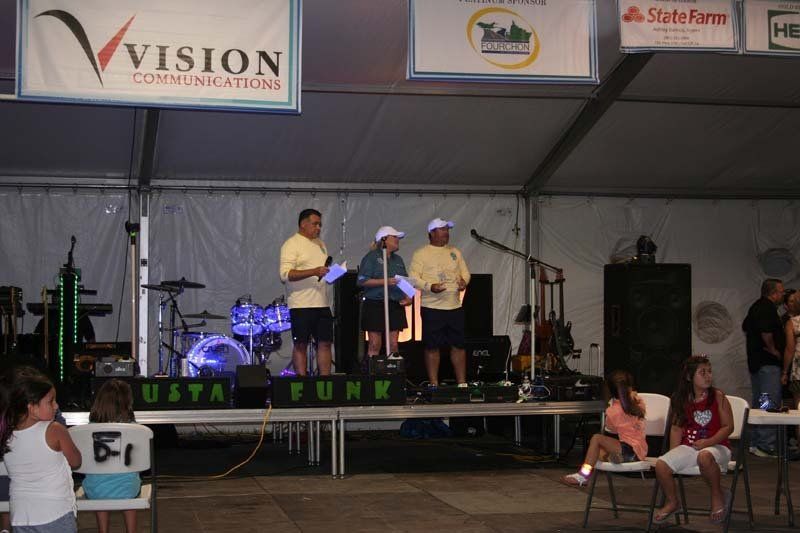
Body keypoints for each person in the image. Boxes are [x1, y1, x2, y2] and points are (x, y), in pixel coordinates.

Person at [653, 355, 734, 525]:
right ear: (690, 377)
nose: (708, 376)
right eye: (702, 372)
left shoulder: (718, 396)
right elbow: (676, 428)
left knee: (704, 456)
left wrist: (708, 442)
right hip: (691, 447)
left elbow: (728, 427)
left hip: (717, 446)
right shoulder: (681, 398)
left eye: (709, 371)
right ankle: (673, 501)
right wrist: (673, 456)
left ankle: (717, 494)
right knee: (661, 465)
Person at [0, 366, 81, 532]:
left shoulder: (6, 433)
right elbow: (76, 461)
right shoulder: (54, 430)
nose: (56, 406)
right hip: (56, 513)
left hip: (21, 516)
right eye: (50, 401)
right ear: (31, 407)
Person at [408, 218, 470, 387]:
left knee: (459, 345)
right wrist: (430, 286)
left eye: (447, 230)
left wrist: (464, 281)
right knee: (432, 346)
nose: (446, 233)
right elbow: (413, 278)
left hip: (455, 306)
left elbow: (466, 273)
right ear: (432, 233)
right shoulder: (421, 253)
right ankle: (434, 384)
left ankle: (462, 383)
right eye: (442, 230)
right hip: (432, 307)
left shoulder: (455, 252)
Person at [561, 370, 647, 486]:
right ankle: (614, 457)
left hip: (630, 450)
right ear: (630, 386)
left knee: (596, 439)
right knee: (598, 453)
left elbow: (611, 428)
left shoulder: (612, 411)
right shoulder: (638, 402)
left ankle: (583, 475)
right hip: (641, 450)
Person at [279, 209, 333, 376]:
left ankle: (326, 382)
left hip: (322, 304)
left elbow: (321, 272)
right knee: (301, 344)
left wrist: (330, 273)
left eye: (320, 225)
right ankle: (301, 383)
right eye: (315, 224)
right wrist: (314, 271)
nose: (318, 228)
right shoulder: (291, 244)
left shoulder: (320, 244)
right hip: (301, 305)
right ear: (303, 224)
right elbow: (285, 275)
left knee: (324, 343)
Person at [83, 379, 140, 533]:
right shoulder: (134, 429)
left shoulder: (87, 430)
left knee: (100, 484)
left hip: (96, 490)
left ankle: (103, 530)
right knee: (127, 485)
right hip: (128, 489)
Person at [357, 226, 413, 371]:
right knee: (375, 343)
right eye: (394, 237)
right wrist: (385, 281)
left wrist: (408, 297)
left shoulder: (398, 260)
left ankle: (394, 374)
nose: (397, 240)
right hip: (375, 304)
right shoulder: (371, 257)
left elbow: (404, 281)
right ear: (384, 239)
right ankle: (371, 375)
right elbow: (362, 281)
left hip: (394, 303)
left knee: (394, 343)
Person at [742, 278, 785, 457]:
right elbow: (766, 331)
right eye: (781, 292)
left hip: (757, 363)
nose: (783, 295)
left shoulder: (755, 307)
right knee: (769, 402)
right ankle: (766, 445)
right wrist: (774, 350)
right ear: (773, 293)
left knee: (760, 400)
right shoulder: (767, 308)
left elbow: (746, 326)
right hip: (767, 365)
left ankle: (754, 442)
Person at [783, 290, 800, 441]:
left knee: (799, 412)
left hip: (798, 372)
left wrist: (784, 372)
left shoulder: (792, 323)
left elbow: (789, 349)